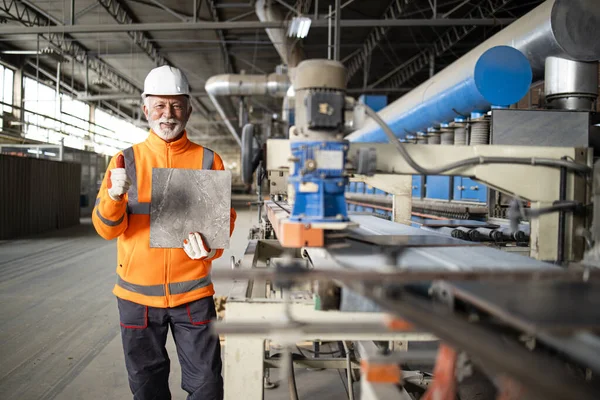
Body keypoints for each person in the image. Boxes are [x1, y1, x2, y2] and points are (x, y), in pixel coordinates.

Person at [92, 65, 236, 400]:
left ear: (188, 108)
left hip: (193, 297)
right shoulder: (125, 160)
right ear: (146, 109)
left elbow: (223, 220)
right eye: (159, 105)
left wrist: (211, 249)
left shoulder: (208, 160)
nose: (167, 114)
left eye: (175, 106)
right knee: (147, 389)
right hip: (137, 298)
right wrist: (114, 197)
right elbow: (105, 228)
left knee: (207, 386)